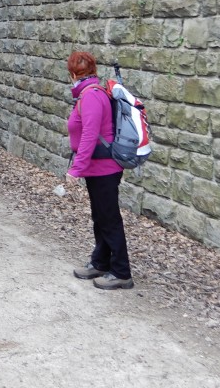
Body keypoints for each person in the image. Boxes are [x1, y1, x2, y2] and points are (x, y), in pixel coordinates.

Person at [65, 50, 134, 289]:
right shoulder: (90, 92)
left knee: (109, 218)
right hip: (97, 168)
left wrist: (76, 169)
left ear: (73, 74)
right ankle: (101, 262)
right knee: (100, 217)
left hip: (104, 168)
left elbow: (90, 134)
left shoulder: (91, 96)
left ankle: (121, 272)